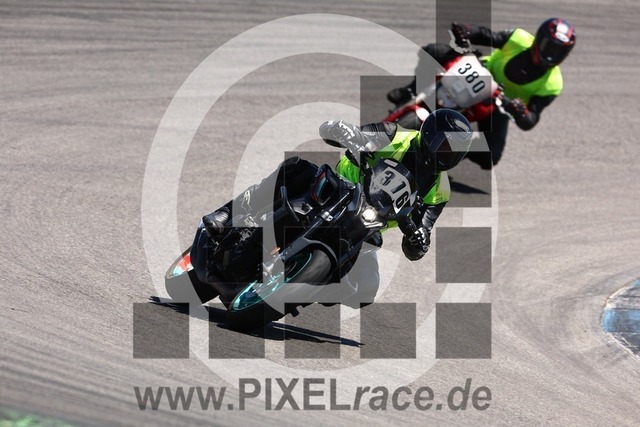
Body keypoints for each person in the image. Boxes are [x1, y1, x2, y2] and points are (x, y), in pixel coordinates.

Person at [193, 109, 473, 307]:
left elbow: (419, 239)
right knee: (297, 168)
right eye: (445, 146)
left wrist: (418, 240)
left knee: (366, 291)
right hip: (340, 188)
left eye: (455, 151)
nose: (447, 154)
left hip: (368, 227)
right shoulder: (396, 135)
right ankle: (228, 213)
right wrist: (347, 133)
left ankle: (307, 286)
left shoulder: (439, 191)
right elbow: (342, 131)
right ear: (430, 135)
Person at [387, 18, 576, 169]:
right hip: (478, 70)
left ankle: (445, 154)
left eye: (558, 52)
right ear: (538, 40)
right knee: (434, 51)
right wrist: (465, 31)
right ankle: (410, 90)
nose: (551, 55)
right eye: (549, 46)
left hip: (499, 104)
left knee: (491, 154)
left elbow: (531, 119)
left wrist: (520, 111)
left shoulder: (553, 84)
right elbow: (486, 35)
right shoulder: (519, 38)